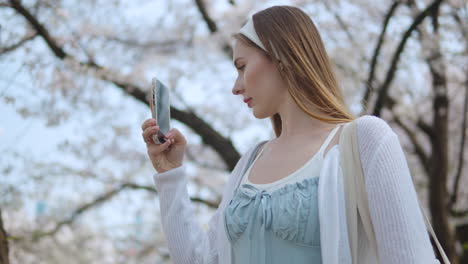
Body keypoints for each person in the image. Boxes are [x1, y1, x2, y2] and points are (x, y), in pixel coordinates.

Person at [141, 5, 439, 264]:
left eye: (242, 67)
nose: (236, 86)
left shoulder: (364, 139)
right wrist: (171, 175)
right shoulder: (249, 162)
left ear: (282, 57)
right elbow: (199, 260)